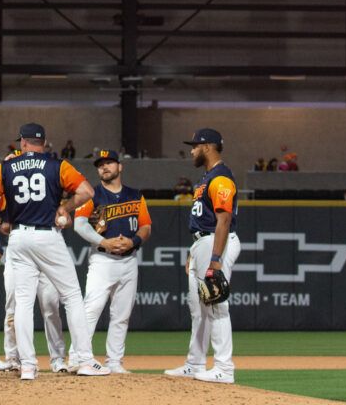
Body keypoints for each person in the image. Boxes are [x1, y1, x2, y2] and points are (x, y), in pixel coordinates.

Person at [0, 122, 109, 380]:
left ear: (23, 143)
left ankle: (27, 365)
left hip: (19, 237)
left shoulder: (7, 166)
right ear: (44, 143)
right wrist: (65, 208)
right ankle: (85, 360)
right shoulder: (58, 166)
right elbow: (87, 191)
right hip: (48, 235)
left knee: (22, 303)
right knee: (71, 296)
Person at [165, 128, 240, 385]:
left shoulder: (220, 178)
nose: (192, 150)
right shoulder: (207, 177)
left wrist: (215, 259)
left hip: (215, 242)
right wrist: (194, 252)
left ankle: (224, 368)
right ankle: (195, 363)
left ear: (208, 146)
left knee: (217, 304)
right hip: (202, 242)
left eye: (195, 146)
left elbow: (224, 220)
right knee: (198, 308)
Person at [70, 150, 151, 374]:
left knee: (121, 315)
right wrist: (104, 242)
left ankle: (114, 362)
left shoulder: (135, 195)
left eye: (109, 163)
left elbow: (146, 226)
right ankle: (77, 358)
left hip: (129, 260)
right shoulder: (92, 195)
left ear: (120, 167)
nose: (104, 167)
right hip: (103, 260)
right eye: (101, 165)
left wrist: (133, 241)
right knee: (91, 309)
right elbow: (80, 225)